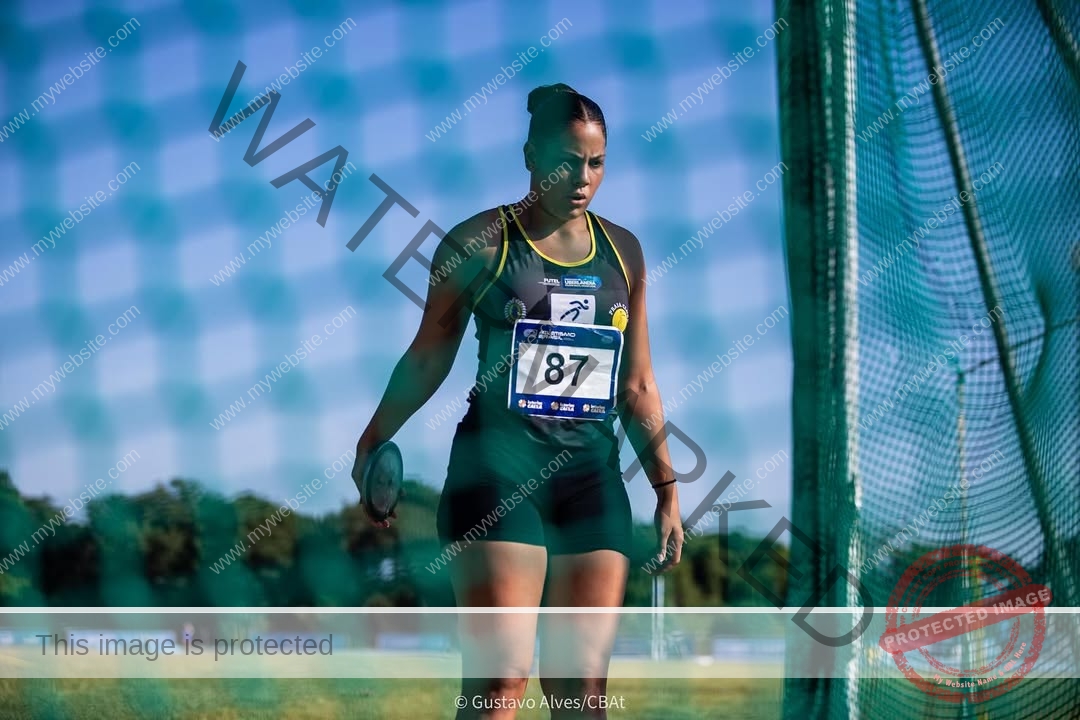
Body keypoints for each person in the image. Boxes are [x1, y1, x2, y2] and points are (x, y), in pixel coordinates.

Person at [352, 83, 682, 719]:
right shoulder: (478, 244)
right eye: (566, 161)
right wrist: (373, 438)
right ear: (530, 155)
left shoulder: (625, 254)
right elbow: (429, 353)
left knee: (580, 695)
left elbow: (637, 383)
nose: (582, 178)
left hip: (591, 478)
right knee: (500, 685)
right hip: (495, 474)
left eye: (597, 162)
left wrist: (667, 491)